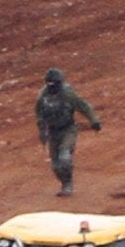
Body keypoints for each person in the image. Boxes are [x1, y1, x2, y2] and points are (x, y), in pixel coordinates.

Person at [34, 69, 102, 197]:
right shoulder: (43, 96)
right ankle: (65, 183)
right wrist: (42, 131)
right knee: (56, 167)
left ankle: (68, 185)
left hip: (68, 129)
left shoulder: (67, 93)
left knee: (64, 157)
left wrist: (94, 120)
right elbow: (39, 114)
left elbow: (83, 106)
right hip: (53, 132)